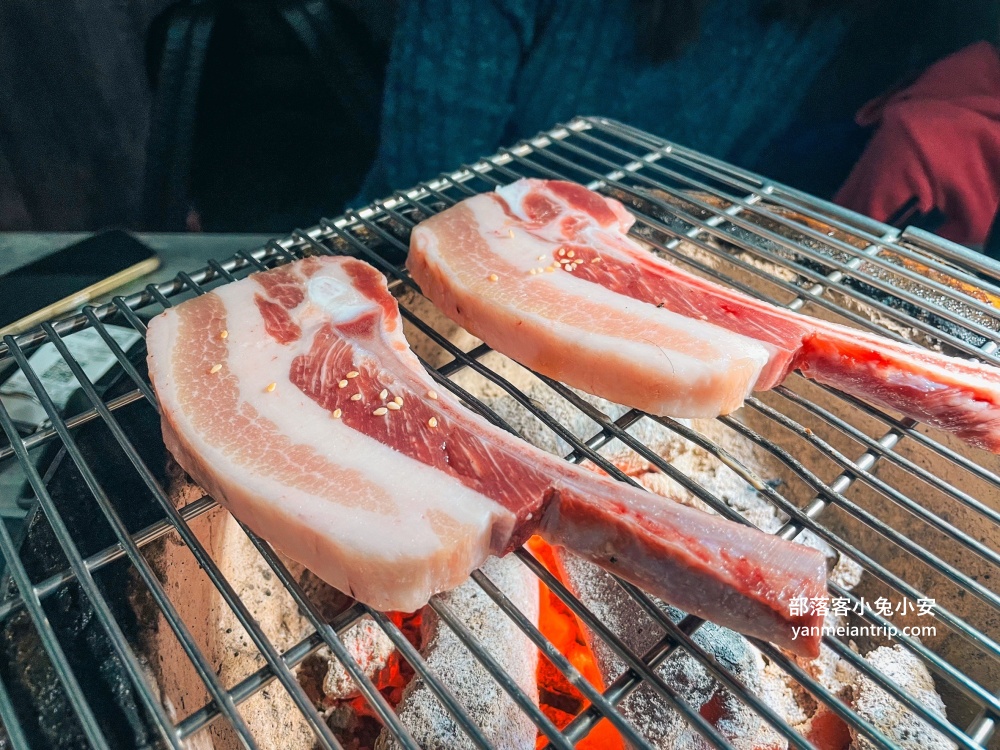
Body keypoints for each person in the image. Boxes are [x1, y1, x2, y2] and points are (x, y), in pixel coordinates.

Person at [354, 0, 851, 204]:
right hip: (421, 242)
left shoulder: (814, 17)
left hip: (641, 269)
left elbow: (729, 181)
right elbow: (429, 183)